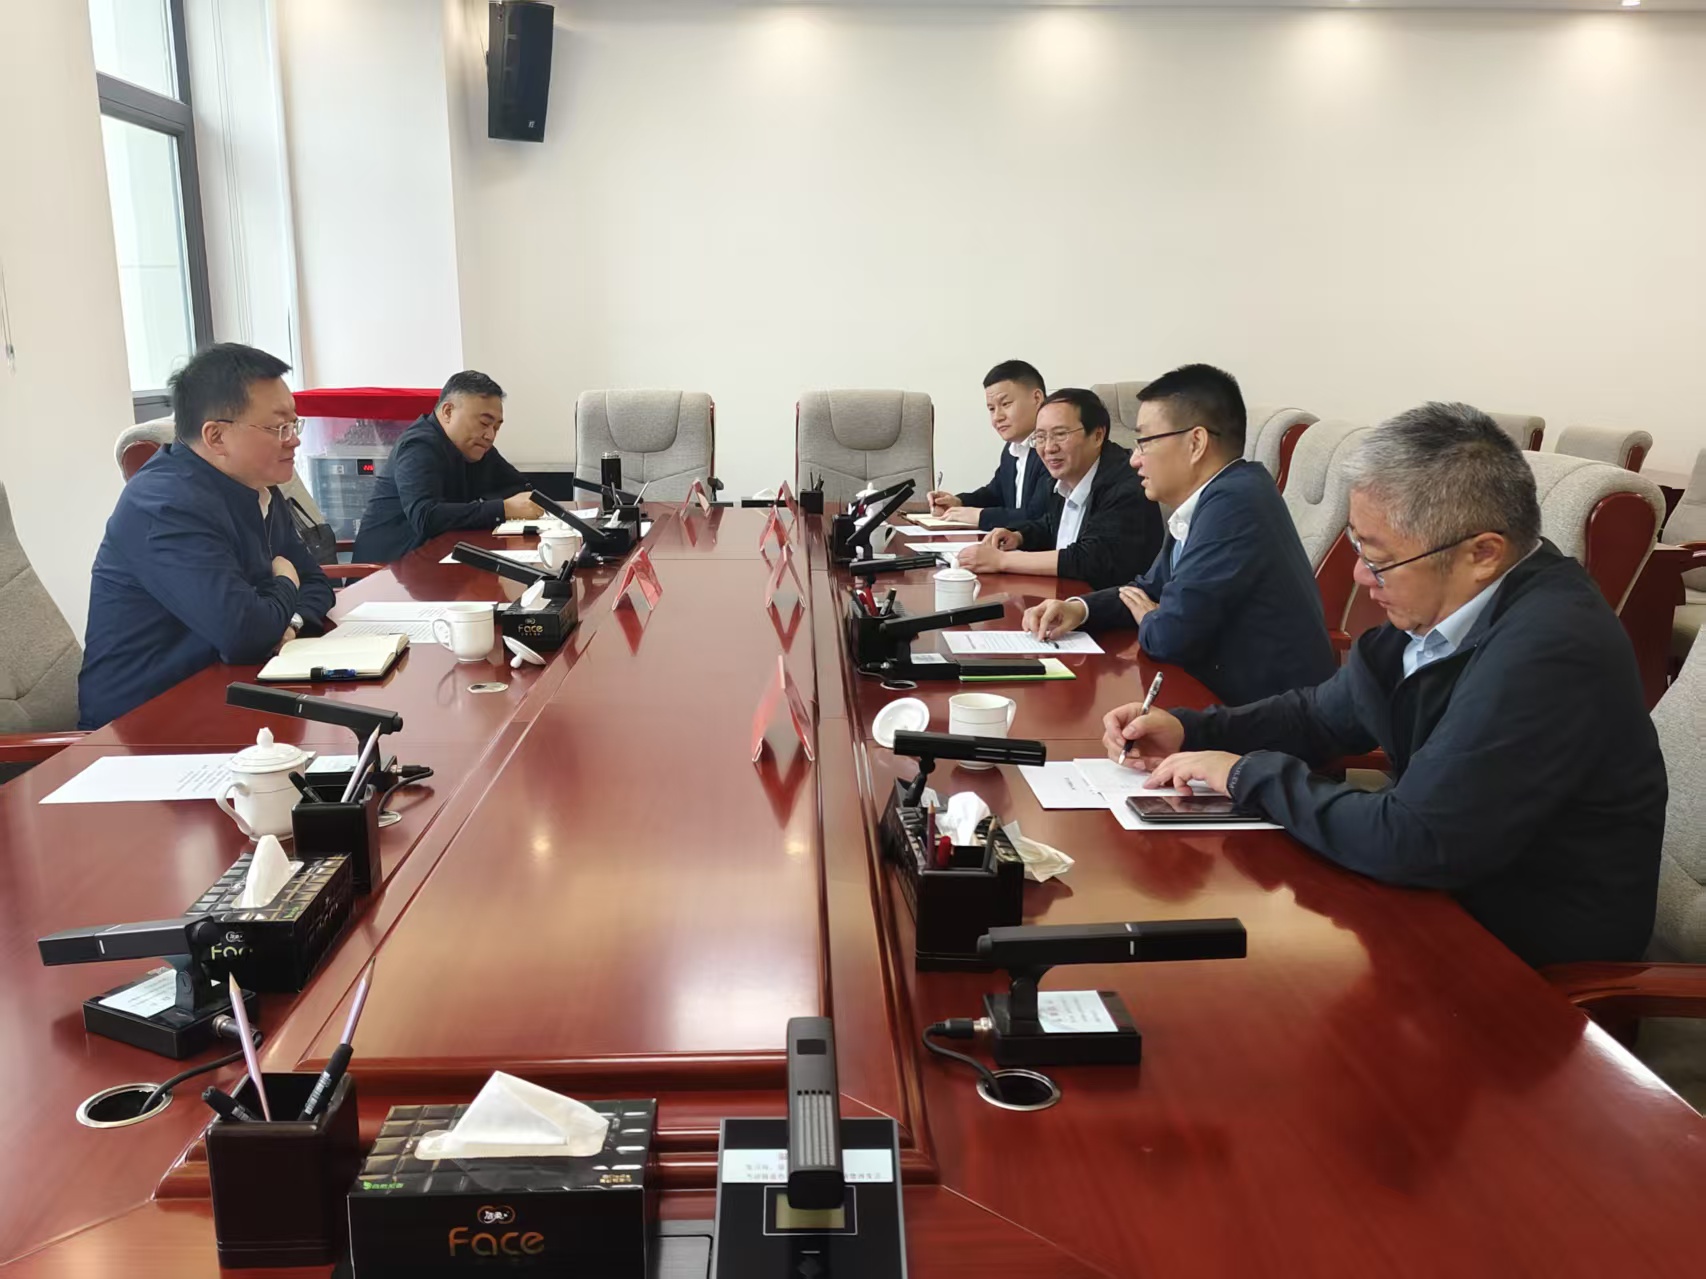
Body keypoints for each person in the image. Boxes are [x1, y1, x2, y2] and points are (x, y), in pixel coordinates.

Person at [1101, 403, 1665, 968]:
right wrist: (1191, 731)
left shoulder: (1551, 649)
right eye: (1357, 547)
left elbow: (1416, 838)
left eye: (1379, 559)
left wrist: (1245, 773)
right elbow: (1320, 715)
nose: (1359, 576)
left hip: (1520, 958)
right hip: (1432, 901)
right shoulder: (1445, 606)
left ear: (1482, 553)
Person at [1021, 364, 1335, 704]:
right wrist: (1078, 609)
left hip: (1267, 718)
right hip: (1217, 699)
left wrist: (1151, 616)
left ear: (1196, 442)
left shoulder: (1235, 504)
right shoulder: (1210, 499)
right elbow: (1147, 589)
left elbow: (1168, 636)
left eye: (1144, 442)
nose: (1134, 460)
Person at [78, 344, 335, 729]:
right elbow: (244, 633)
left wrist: (290, 623)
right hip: (144, 729)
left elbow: (314, 581)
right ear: (216, 437)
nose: (293, 440)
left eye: (294, 424)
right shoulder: (164, 506)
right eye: (278, 427)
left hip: (230, 694)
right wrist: (285, 582)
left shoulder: (259, 488)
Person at [956, 388, 1162, 591]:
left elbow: (1088, 558)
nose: (1048, 448)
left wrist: (1002, 561)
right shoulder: (1064, 478)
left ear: (1097, 436)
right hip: (1065, 598)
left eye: (1060, 434)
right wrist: (1019, 536)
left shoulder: (1127, 485)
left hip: (1109, 606)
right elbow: (1053, 525)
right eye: (1041, 437)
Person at [351, 371, 542, 562]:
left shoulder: (477, 447)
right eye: (484, 423)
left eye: (496, 427)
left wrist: (515, 504)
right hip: (388, 569)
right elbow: (426, 517)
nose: (490, 435)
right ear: (448, 412)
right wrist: (502, 509)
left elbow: (521, 488)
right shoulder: (419, 446)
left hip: (436, 560)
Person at [925, 360, 1053, 530]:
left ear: (1036, 398)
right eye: (991, 409)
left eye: (1005, 404)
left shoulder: (1052, 451)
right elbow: (995, 493)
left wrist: (980, 516)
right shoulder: (1012, 449)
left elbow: (1039, 516)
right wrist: (959, 502)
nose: (997, 417)